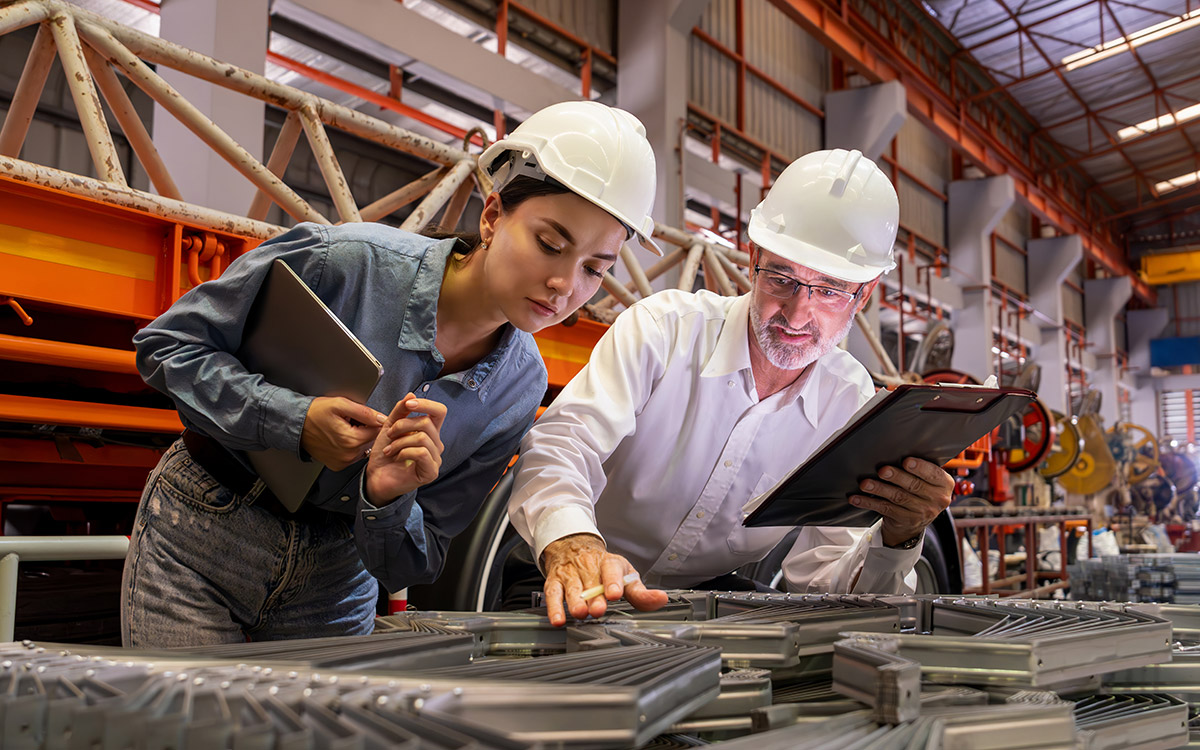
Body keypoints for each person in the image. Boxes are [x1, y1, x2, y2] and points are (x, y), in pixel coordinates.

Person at [122, 100, 661, 647]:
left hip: (335, 581)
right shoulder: (347, 262)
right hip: (205, 535)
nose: (565, 285)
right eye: (550, 244)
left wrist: (384, 498)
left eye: (595, 269)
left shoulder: (519, 390)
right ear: (493, 216)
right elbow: (169, 346)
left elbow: (414, 559)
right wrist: (296, 420)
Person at [507, 148, 955, 627]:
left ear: (863, 295)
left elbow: (828, 586)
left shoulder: (847, 402)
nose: (797, 315)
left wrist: (901, 536)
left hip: (703, 601)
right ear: (754, 259)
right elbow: (564, 443)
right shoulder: (664, 331)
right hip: (577, 579)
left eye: (828, 290)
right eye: (782, 278)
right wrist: (572, 541)